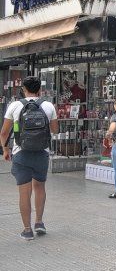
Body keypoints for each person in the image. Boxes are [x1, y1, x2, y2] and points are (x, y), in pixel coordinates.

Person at [0, 76, 59, 240]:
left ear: (23, 90)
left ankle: (27, 230)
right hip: (42, 153)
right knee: (40, 187)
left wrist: (5, 149)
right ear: (40, 90)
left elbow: (4, 132)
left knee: (24, 193)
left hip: (21, 153)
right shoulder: (48, 105)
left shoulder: (15, 105)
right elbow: (55, 130)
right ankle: (39, 222)